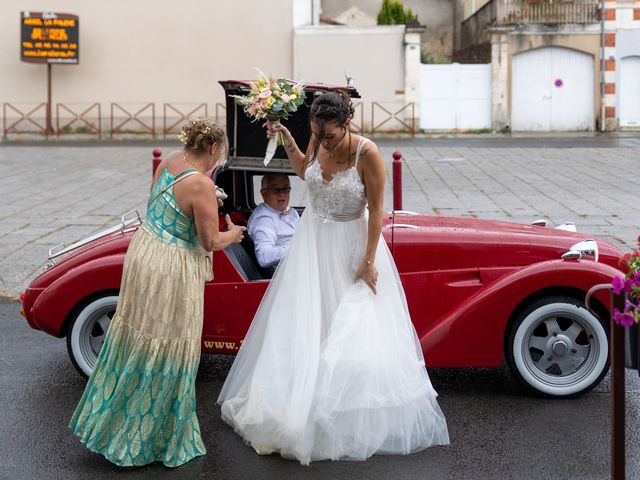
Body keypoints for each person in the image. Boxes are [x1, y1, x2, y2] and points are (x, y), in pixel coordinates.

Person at [218, 91, 449, 465]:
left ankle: (344, 413)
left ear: (347, 124)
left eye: (329, 137)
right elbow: (303, 171)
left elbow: (377, 212)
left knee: (351, 328)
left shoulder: (367, 154)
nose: (323, 143)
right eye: (318, 136)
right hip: (311, 244)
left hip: (350, 246)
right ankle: (297, 405)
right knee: (304, 324)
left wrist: (369, 260)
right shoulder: (316, 135)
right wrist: (289, 140)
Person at [70, 119, 246, 467]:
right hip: (171, 269)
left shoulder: (170, 160)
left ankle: (107, 423)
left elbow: (160, 207)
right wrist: (235, 233)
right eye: (219, 154)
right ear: (212, 149)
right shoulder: (201, 185)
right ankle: (147, 436)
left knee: (136, 338)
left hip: (145, 253)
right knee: (169, 345)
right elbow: (210, 240)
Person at [247, 173, 300, 269]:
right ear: (264, 194)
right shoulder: (264, 219)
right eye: (276, 190)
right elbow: (264, 257)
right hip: (287, 272)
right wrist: (299, 248)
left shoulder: (291, 212)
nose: (282, 194)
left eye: (286, 189)